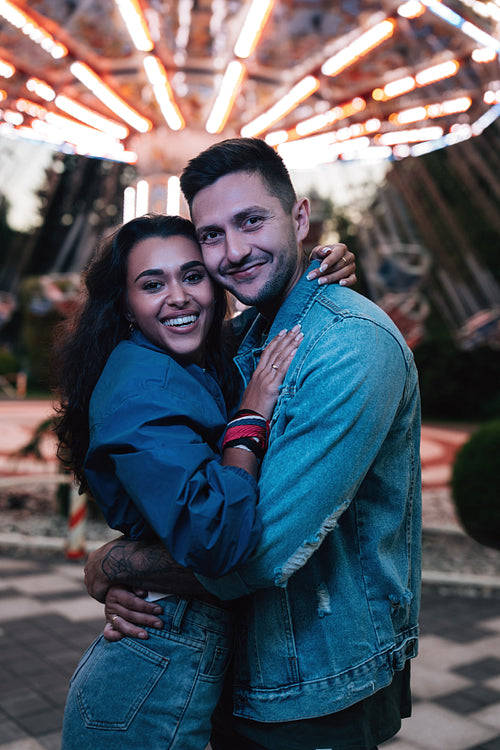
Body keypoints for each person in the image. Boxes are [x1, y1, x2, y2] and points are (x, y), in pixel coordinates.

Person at [85, 137, 422, 750]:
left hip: (315, 683)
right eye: (212, 235)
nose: (234, 252)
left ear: (299, 217)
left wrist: (112, 565)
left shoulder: (349, 346)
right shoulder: (245, 331)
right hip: (237, 669)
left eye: (251, 221)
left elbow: (256, 552)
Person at [54, 213, 354, 749]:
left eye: (193, 276)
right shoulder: (142, 389)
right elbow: (217, 538)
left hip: (169, 659)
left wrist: (322, 265)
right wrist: (251, 413)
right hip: (147, 678)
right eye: (152, 284)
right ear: (124, 304)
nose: (179, 297)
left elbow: (266, 304)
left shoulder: (193, 361)